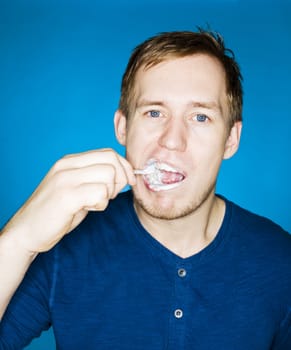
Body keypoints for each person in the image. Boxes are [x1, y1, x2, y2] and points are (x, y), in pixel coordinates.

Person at [0, 28, 290, 349]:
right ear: (123, 128)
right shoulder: (67, 245)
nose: (172, 140)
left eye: (200, 117)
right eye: (154, 112)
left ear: (231, 139)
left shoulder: (281, 260)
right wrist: (18, 240)